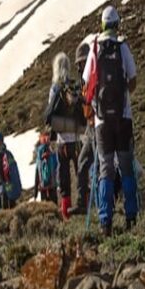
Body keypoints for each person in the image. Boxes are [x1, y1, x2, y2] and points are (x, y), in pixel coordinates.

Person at [83, 6, 138, 236]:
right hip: (123, 118)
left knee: (105, 170)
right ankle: (131, 216)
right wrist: (124, 95)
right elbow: (133, 79)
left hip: (101, 121)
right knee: (126, 167)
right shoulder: (122, 46)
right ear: (117, 24)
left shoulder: (94, 49)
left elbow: (86, 84)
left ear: (102, 24)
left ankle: (105, 222)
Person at [48, 52, 80, 220]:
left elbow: (50, 114)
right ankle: (85, 203)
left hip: (61, 141)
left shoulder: (54, 88)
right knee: (80, 172)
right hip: (76, 138)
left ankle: (66, 211)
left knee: (64, 176)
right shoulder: (73, 86)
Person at [74, 39, 97, 214]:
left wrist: (79, 100)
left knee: (100, 164)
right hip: (90, 128)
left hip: (97, 126)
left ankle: (102, 200)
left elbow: (92, 101)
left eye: (80, 63)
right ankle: (83, 202)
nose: (78, 68)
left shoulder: (93, 77)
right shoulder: (84, 81)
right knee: (82, 163)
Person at [32, 133, 58, 202]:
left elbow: (37, 174)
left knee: (45, 208)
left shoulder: (38, 154)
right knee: (54, 205)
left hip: (43, 186)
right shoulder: (52, 152)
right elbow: (57, 167)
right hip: (52, 185)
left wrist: (35, 194)